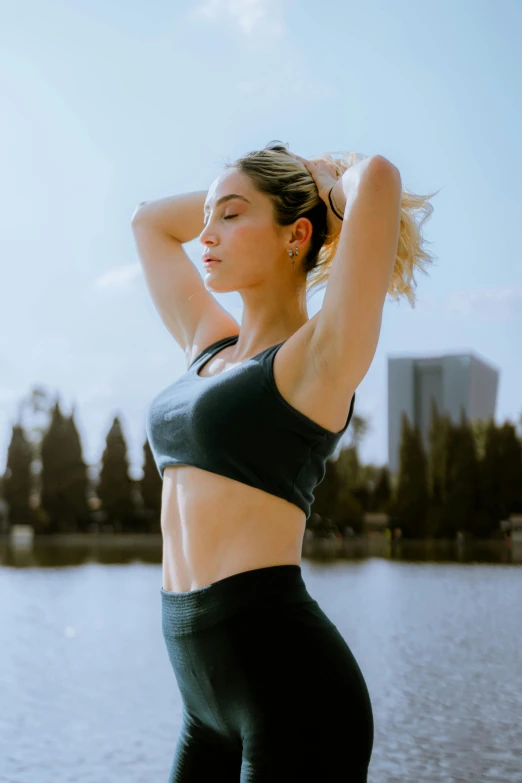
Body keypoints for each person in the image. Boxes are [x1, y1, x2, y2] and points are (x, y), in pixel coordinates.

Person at [131, 140, 437, 782]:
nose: (206, 235)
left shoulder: (315, 361)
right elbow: (150, 223)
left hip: (294, 696)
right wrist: (242, 194)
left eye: (231, 217)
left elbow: (377, 179)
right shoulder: (206, 346)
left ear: (296, 235)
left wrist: (319, 185)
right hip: (202, 704)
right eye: (210, 217)